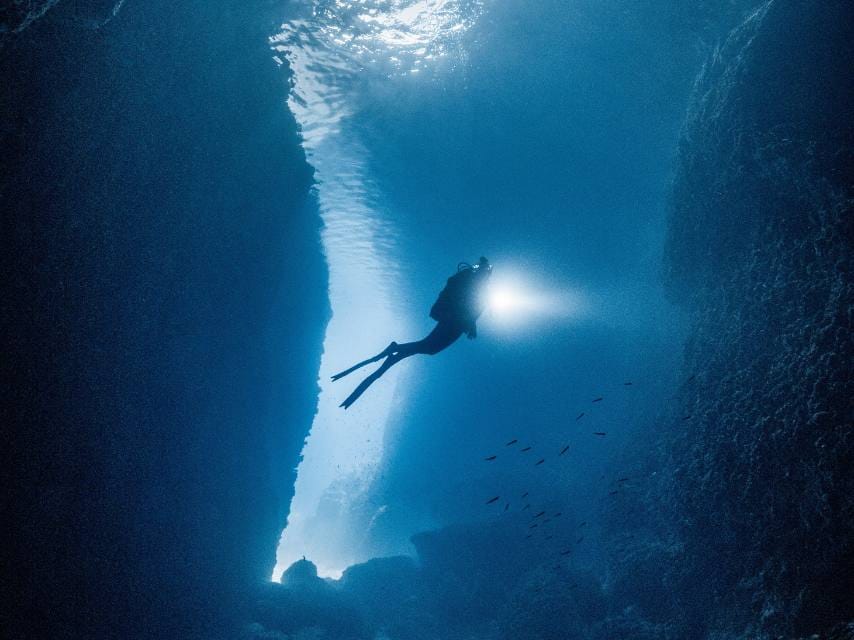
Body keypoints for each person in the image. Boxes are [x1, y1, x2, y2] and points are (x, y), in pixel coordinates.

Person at [333, 257, 492, 409]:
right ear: (482, 270)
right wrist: (469, 321)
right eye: (487, 271)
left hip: (456, 322)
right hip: (453, 320)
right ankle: (396, 350)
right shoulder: (470, 280)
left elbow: (473, 307)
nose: (487, 275)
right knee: (429, 347)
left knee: (429, 348)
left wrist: (472, 324)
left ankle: (397, 352)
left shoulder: (477, 284)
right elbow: (464, 301)